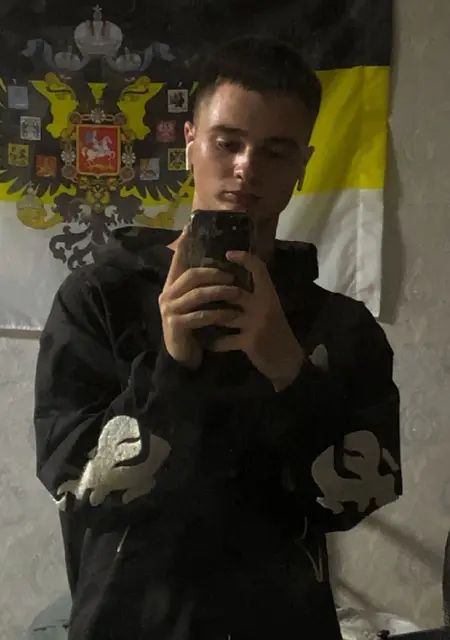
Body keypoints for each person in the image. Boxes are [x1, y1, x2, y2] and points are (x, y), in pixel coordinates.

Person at [34, 36, 402, 640]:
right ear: (190, 143)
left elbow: (359, 496)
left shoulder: (340, 326)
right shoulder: (99, 299)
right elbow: (76, 487)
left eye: (275, 151)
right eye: (227, 142)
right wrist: (171, 368)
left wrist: (289, 369)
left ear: (303, 164)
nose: (246, 169)